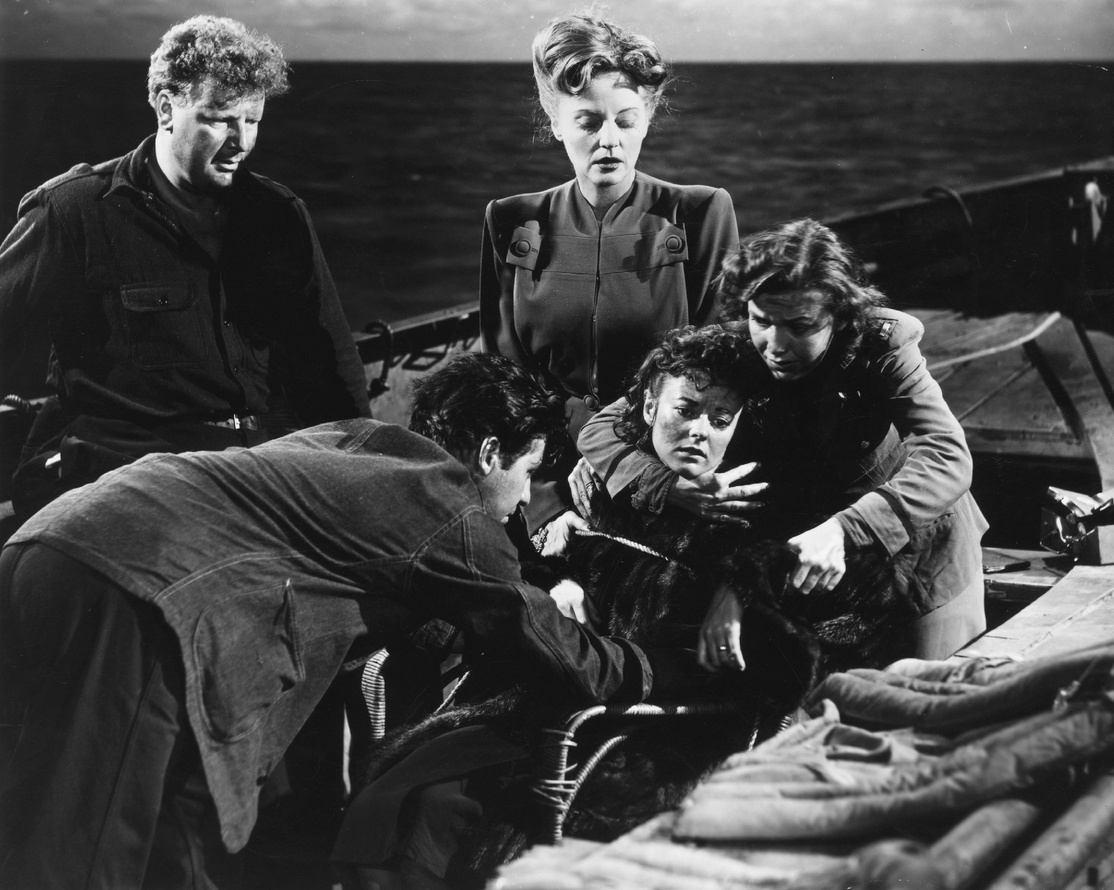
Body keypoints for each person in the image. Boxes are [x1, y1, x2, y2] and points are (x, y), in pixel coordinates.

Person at [0, 352, 653, 890]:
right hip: (137, 593)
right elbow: (548, 642)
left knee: (169, 833)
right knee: (87, 846)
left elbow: (394, 594)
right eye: (529, 473)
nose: (524, 500)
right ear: (488, 453)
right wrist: (649, 664)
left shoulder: (359, 442)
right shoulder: (452, 507)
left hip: (47, 543)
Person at [332, 326, 889, 890]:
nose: (700, 430)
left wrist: (744, 587)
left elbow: (783, 663)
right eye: (686, 409)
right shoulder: (606, 490)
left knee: (460, 814)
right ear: (649, 407)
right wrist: (560, 582)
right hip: (558, 693)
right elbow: (524, 570)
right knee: (406, 797)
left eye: (721, 419)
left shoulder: (757, 518)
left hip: (650, 729)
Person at [0, 15, 370, 520]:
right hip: (133, 477)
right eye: (221, 119)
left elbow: (333, 368)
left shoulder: (280, 215)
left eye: (253, 120)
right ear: (166, 108)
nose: (242, 142)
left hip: (261, 468)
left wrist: (360, 475)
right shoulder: (73, 212)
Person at [578, 218, 990, 663]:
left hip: (915, 550)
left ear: (839, 316)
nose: (775, 344)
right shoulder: (736, 345)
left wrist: (846, 529)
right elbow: (602, 428)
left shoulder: (883, 346)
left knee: (930, 686)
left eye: (800, 325)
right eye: (761, 320)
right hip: (803, 556)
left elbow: (948, 454)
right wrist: (666, 485)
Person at [479, 12, 739, 530]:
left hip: (666, 476)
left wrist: (621, 465)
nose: (610, 140)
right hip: (545, 480)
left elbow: (713, 369)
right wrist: (547, 506)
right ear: (555, 122)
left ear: (647, 120)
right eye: (588, 122)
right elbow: (504, 378)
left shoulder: (700, 213)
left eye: (625, 120)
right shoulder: (510, 221)